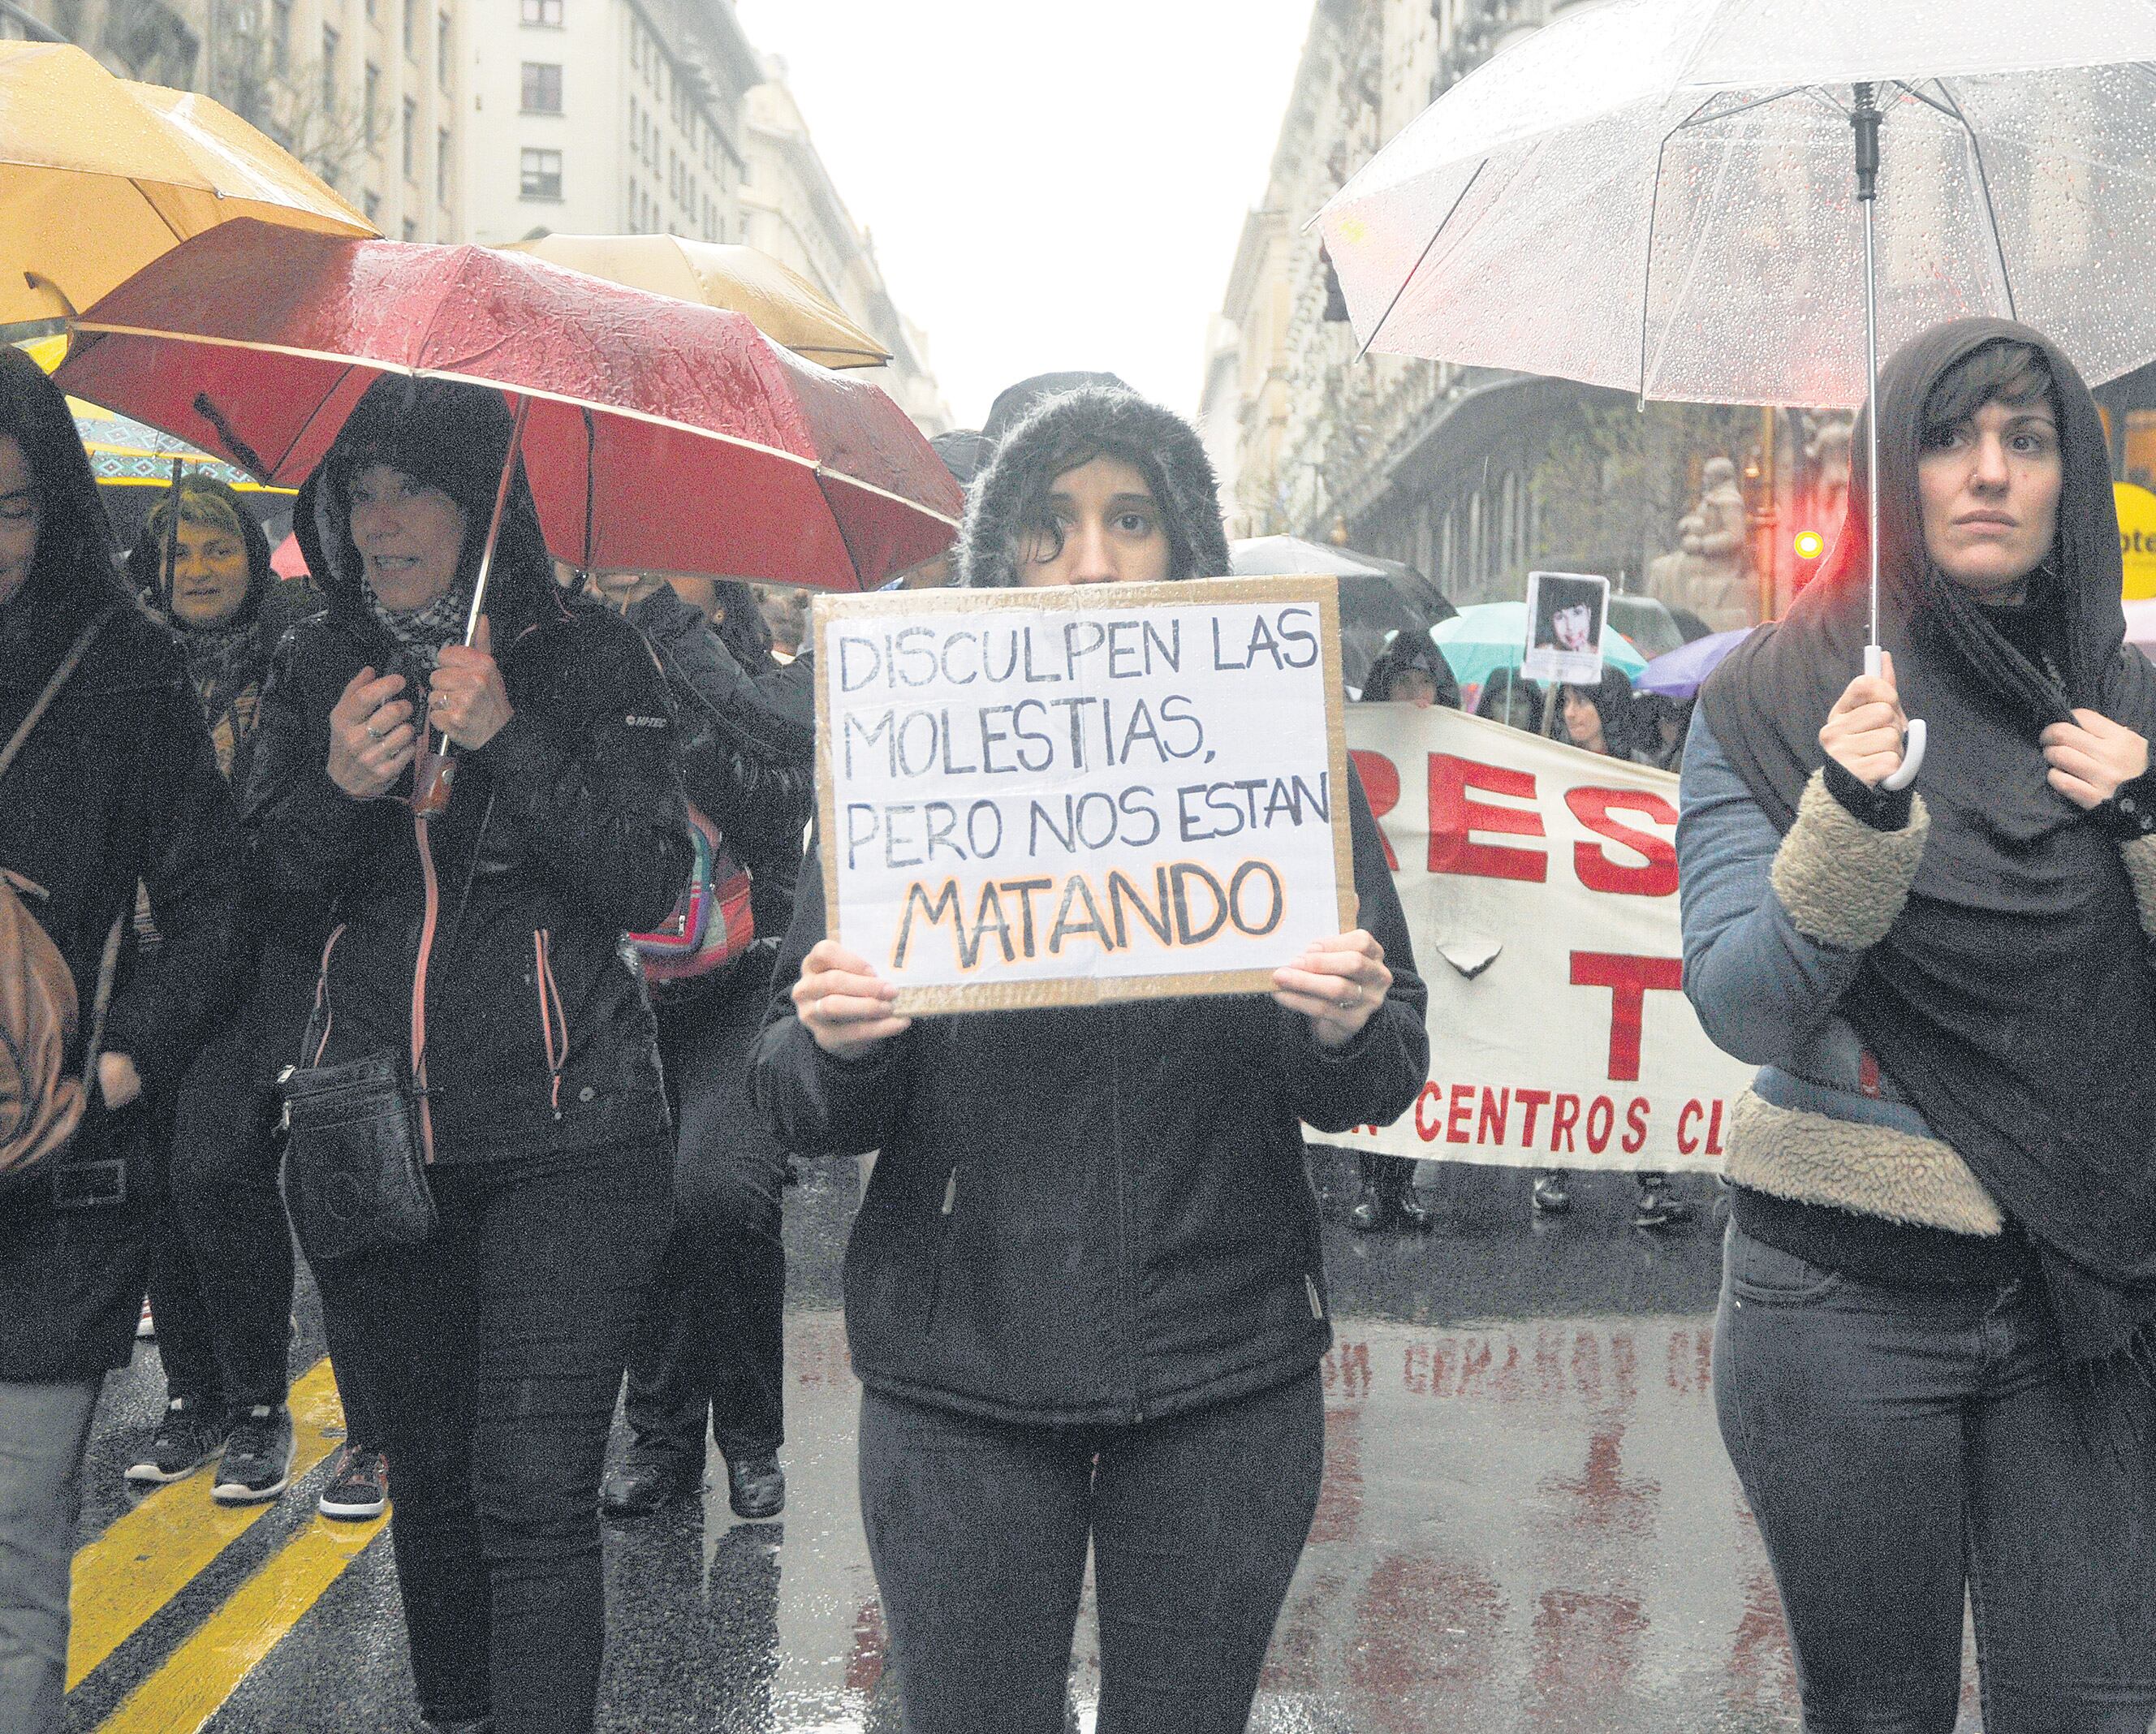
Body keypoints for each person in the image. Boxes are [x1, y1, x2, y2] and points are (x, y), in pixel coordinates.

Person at [753, 386, 1428, 1734]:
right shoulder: (908, 757)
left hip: (1219, 1366)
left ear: (1184, 543)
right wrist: (835, 1041)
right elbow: (791, 1085)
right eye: (1051, 526)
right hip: (961, 1372)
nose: (1093, 561)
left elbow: (1384, 1057)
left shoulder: (1278, 749)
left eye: (1130, 518)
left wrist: (1343, 1021)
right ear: (1001, 551)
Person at [1681, 319, 2156, 1731]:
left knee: (2085, 1710)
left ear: (2067, 480)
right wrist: (1849, 816)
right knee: (1875, 1715)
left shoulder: (2134, 705)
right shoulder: (1776, 701)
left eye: (2024, 442)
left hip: (2087, 1293)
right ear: (1893, 473)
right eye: (1946, 438)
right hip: (1833, 1308)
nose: (1984, 474)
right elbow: (1742, 1001)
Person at [243, 376, 691, 1734]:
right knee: (430, 1484)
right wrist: (335, 791)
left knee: (531, 1493)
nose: (376, 523)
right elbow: (259, 900)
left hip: (572, 1135)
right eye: (355, 490)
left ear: (485, 498)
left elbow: (646, 879)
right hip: (375, 1140)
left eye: (410, 490)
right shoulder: (316, 660)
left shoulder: (592, 658)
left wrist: (511, 741)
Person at [0, 347, 243, 1734]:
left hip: (53, 1187)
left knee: (18, 1561)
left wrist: (116, 1066)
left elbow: (218, 908)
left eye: (16, 508)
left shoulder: (126, 674)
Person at [593, 572, 813, 1525]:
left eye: (665, 560)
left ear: (714, 593)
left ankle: (752, 1438)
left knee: (718, 1194)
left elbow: (770, 771)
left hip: (741, 981)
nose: (632, 569)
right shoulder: (580, 670)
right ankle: (663, 1441)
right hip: (618, 991)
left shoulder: (764, 685)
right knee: (644, 1209)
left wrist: (664, 641)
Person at [117, 476, 320, 1508]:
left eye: (215, 551)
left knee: (212, 1166)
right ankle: (191, 1395)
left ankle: (255, 1406)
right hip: (146, 966)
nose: (195, 572)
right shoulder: (121, 671)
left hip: (255, 965)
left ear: (250, 557)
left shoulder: (291, 664)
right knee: (148, 1178)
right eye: (175, 555)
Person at [1539, 667, 1690, 1229]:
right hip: (1572, 934)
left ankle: (1652, 1181)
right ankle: (1551, 1167)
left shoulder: (1645, 776)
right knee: (1568, 1046)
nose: (1573, 714)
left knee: (1636, 1058)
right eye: (1567, 703)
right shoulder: (1547, 770)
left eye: (1584, 702)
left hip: (1629, 942)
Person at [1345, 628, 1458, 1234]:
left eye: (1426, 684)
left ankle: (1403, 1183)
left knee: (1417, 1044)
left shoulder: (1461, 752)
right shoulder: (1357, 745)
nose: (1416, 695)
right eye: (1404, 682)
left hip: (1436, 918)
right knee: (1372, 1028)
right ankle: (1369, 1182)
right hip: (1381, 912)